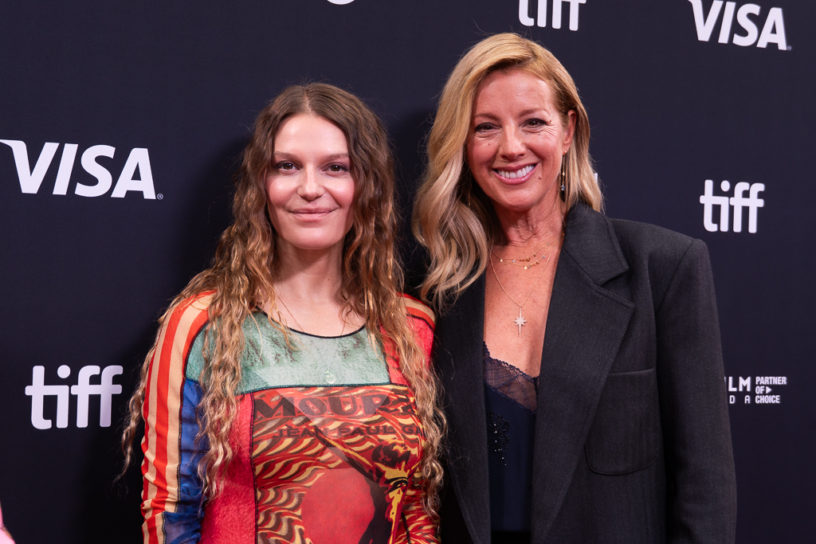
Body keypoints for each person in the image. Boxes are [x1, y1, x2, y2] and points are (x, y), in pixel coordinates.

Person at [412, 33, 736, 543]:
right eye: (485, 128)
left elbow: (706, 488)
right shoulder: (432, 286)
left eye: (533, 122)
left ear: (568, 131)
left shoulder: (662, 268)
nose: (511, 147)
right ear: (462, 145)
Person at [121, 83, 443, 544]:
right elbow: (169, 514)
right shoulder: (203, 326)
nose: (310, 189)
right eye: (287, 167)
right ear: (261, 185)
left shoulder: (411, 327)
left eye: (336, 168)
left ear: (366, 186)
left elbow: (417, 508)